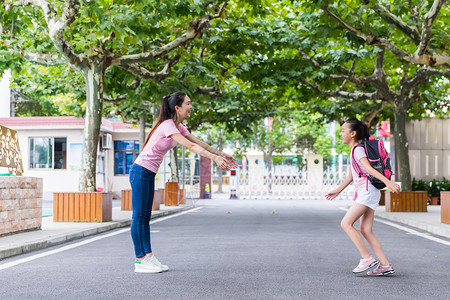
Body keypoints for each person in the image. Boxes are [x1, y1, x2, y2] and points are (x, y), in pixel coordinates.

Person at [129, 92, 238, 273]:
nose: (191, 106)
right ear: (177, 108)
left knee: (145, 218)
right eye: (188, 103)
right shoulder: (167, 125)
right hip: (140, 172)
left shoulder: (178, 127)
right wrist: (214, 159)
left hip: (147, 174)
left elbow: (199, 143)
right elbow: (191, 147)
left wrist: (221, 155)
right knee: (139, 217)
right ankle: (139, 259)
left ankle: (148, 256)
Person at [325, 118, 400, 276]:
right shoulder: (356, 150)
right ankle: (385, 265)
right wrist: (337, 190)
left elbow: (368, 168)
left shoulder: (357, 150)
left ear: (353, 133)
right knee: (365, 230)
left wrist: (388, 183)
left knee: (346, 223)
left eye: (343, 130)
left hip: (367, 192)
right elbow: (352, 175)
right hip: (369, 192)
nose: (340, 133)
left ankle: (367, 258)